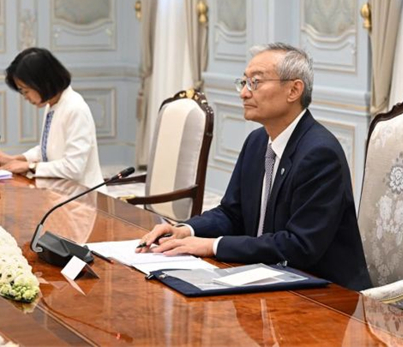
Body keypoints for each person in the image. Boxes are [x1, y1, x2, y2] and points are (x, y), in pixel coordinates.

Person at [138, 42, 371, 291]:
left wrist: (211, 245)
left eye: (256, 82)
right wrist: (186, 229)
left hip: (323, 293)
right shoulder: (257, 141)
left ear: (294, 90)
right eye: (244, 82)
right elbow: (232, 212)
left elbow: (299, 246)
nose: (244, 93)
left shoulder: (320, 154)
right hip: (265, 277)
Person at [0, 47, 105, 193]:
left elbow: (74, 168)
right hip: (60, 193)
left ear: (42, 82)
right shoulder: (53, 104)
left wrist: (29, 166)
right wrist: (15, 159)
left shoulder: (75, 108)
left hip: (82, 198)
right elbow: (48, 149)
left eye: (25, 90)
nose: (25, 97)